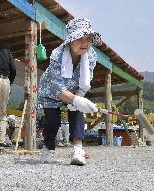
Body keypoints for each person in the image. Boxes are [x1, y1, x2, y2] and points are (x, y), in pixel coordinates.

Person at [38, 18, 101, 165]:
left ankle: (78, 150)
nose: (85, 43)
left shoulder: (91, 56)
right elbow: (58, 88)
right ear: (71, 41)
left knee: (77, 113)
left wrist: (79, 99)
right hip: (51, 92)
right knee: (53, 122)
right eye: (80, 39)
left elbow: (84, 83)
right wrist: (75, 100)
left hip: (73, 91)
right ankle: (47, 148)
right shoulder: (57, 55)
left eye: (88, 39)